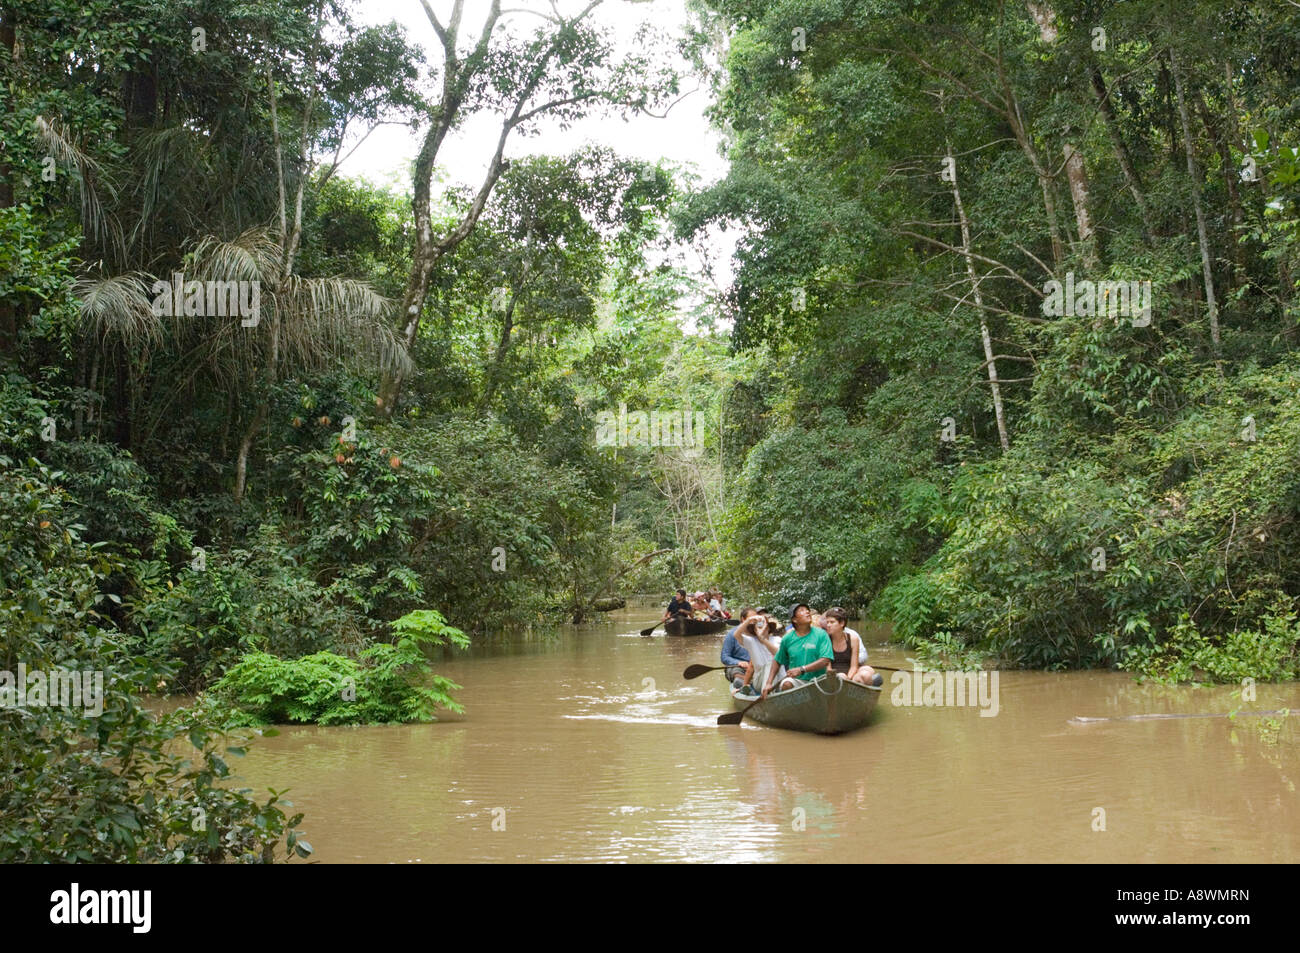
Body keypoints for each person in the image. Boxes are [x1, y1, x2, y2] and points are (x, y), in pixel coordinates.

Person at [761, 604, 833, 697]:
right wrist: (769, 683)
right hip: (798, 682)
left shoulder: (821, 634)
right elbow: (777, 660)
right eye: (802, 611)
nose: (807, 612)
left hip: (819, 680)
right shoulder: (787, 638)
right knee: (786, 684)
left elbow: (825, 660)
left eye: (807, 610)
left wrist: (802, 669)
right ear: (794, 619)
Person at [823, 606, 880, 687]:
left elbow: (854, 666)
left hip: (850, 674)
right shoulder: (825, 640)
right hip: (833, 676)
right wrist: (841, 678)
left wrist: (848, 680)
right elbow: (828, 669)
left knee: (866, 674)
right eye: (827, 622)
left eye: (832, 622)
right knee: (841, 676)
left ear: (842, 623)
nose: (828, 625)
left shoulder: (853, 639)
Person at [721, 607, 755, 685]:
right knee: (735, 672)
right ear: (743, 619)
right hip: (739, 667)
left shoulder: (758, 633)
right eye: (751, 619)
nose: (753, 622)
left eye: (755, 620)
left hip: (755, 666)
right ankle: (744, 682)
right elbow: (724, 657)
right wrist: (739, 662)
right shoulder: (732, 634)